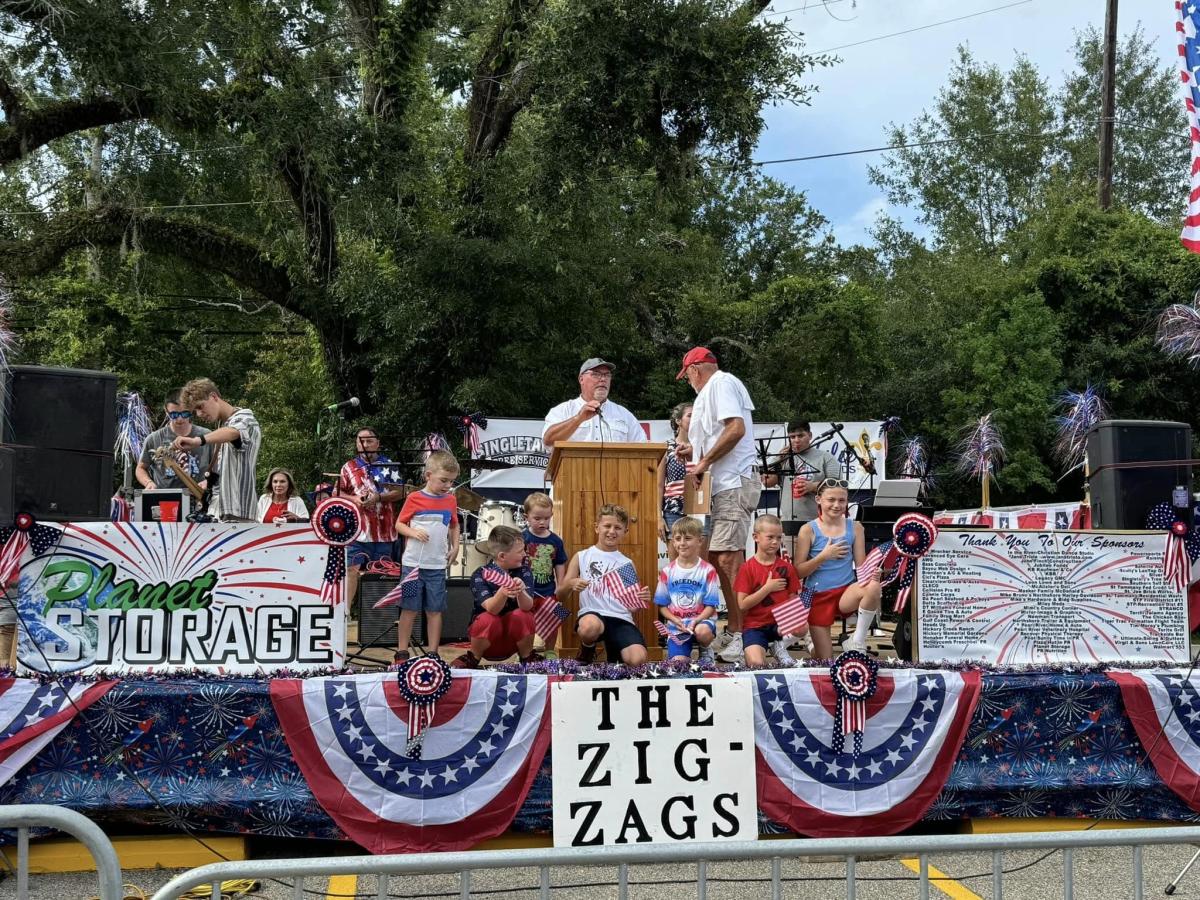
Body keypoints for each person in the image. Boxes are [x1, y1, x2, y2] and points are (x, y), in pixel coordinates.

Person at [677, 346, 759, 663]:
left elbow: (736, 428)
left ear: (695, 369)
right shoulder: (714, 388)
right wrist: (695, 453)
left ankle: (745, 634)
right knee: (717, 557)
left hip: (733, 482)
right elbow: (720, 434)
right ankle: (735, 628)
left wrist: (703, 461)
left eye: (687, 377)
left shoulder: (720, 383)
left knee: (727, 559)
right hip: (723, 484)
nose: (689, 383)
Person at [792, 479, 883, 659]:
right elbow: (798, 572)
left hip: (845, 593)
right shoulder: (808, 530)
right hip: (818, 596)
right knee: (824, 660)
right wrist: (823, 556)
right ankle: (812, 646)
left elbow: (861, 566)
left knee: (873, 587)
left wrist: (875, 572)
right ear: (818, 499)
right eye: (831, 500)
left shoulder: (855, 527)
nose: (836, 505)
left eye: (842, 500)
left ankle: (857, 640)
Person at [558, 503, 650, 666]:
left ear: (625, 532)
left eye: (618, 528)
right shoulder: (582, 556)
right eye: (607, 526)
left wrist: (640, 599)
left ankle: (615, 652)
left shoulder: (626, 563)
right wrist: (572, 583)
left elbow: (632, 607)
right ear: (597, 527)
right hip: (592, 615)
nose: (612, 531)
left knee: (638, 659)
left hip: (620, 618)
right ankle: (587, 648)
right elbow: (560, 595)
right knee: (589, 627)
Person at [392, 450, 461, 661]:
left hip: (436, 567)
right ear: (428, 475)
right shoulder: (414, 498)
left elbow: (454, 525)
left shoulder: (450, 500)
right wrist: (413, 532)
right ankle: (402, 651)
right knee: (409, 608)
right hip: (412, 566)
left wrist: (456, 546)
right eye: (443, 480)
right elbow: (399, 524)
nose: (447, 485)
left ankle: (433, 653)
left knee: (435, 610)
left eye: (451, 481)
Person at [174, 378, 261, 522]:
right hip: (219, 510)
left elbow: (233, 432)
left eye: (200, 406)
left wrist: (197, 440)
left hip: (238, 511)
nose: (199, 414)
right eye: (195, 411)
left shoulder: (245, 417)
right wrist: (207, 483)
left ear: (214, 397)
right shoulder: (222, 426)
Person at [454, 525, 540, 669]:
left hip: (513, 641)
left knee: (524, 615)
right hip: (488, 642)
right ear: (502, 556)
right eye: (520, 551)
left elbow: (527, 606)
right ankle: (473, 658)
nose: (525, 554)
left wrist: (521, 591)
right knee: (487, 618)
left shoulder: (524, 571)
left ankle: (527, 657)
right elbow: (492, 609)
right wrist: (503, 591)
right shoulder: (481, 574)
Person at [337, 426, 405, 605]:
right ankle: (346, 613)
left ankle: (376, 615)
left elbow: (402, 492)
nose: (365, 444)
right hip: (356, 531)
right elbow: (337, 492)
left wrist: (379, 497)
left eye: (369, 441)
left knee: (380, 574)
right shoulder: (348, 467)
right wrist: (355, 498)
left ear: (377, 443)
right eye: (361, 441)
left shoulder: (389, 464)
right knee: (350, 570)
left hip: (384, 532)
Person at [762, 420, 841, 555]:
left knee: (819, 562)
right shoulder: (784, 458)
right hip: (790, 520)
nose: (796, 440)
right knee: (796, 564)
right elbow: (767, 481)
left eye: (800, 436)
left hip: (818, 519)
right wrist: (778, 459)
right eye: (792, 437)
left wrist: (813, 486)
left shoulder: (825, 457)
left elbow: (838, 486)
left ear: (810, 435)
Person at [734, 515, 803, 668]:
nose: (775, 542)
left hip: (779, 624)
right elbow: (742, 605)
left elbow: (793, 599)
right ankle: (750, 649)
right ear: (755, 537)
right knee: (756, 664)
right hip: (755, 626)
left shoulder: (786, 567)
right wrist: (767, 588)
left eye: (778, 538)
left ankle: (780, 645)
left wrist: (796, 614)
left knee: (801, 625)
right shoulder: (747, 568)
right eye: (770, 537)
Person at [654, 517, 720, 663]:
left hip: (701, 621)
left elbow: (710, 606)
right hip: (678, 625)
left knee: (702, 632)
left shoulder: (708, 570)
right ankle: (682, 653)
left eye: (688, 538)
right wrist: (675, 620)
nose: (682, 543)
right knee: (679, 662)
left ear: (700, 541)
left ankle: (705, 647)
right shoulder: (667, 571)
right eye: (678, 539)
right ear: (673, 542)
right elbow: (662, 606)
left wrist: (696, 620)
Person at [542, 358, 648, 448]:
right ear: (581, 379)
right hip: (575, 467)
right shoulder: (563, 410)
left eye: (607, 375)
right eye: (596, 374)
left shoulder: (624, 415)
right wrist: (578, 418)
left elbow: (643, 450)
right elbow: (548, 441)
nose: (603, 379)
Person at [136, 389, 212, 494]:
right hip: (165, 499)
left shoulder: (207, 436)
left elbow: (220, 468)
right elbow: (141, 468)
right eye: (174, 415)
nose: (180, 419)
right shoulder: (154, 439)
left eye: (185, 413)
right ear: (166, 411)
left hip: (200, 497)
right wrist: (148, 482)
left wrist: (208, 481)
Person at [658, 401, 695, 562]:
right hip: (673, 510)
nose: (695, 419)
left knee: (700, 562)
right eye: (690, 415)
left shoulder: (703, 447)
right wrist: (658, 517)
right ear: (678, 420)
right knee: (676, 564)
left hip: (699, 509)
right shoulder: (667, 447)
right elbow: (659, 485)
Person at [522, 492, 567, 606]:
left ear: (551, 515)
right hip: (525, 592)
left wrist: (560, 585)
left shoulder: (556, 541)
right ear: (526, 517)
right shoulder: (522, 538)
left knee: (559, 614)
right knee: (524, 616)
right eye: (537, 518)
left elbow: (559, 563)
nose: (542, 522)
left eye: (546, 518)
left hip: (548, 592)